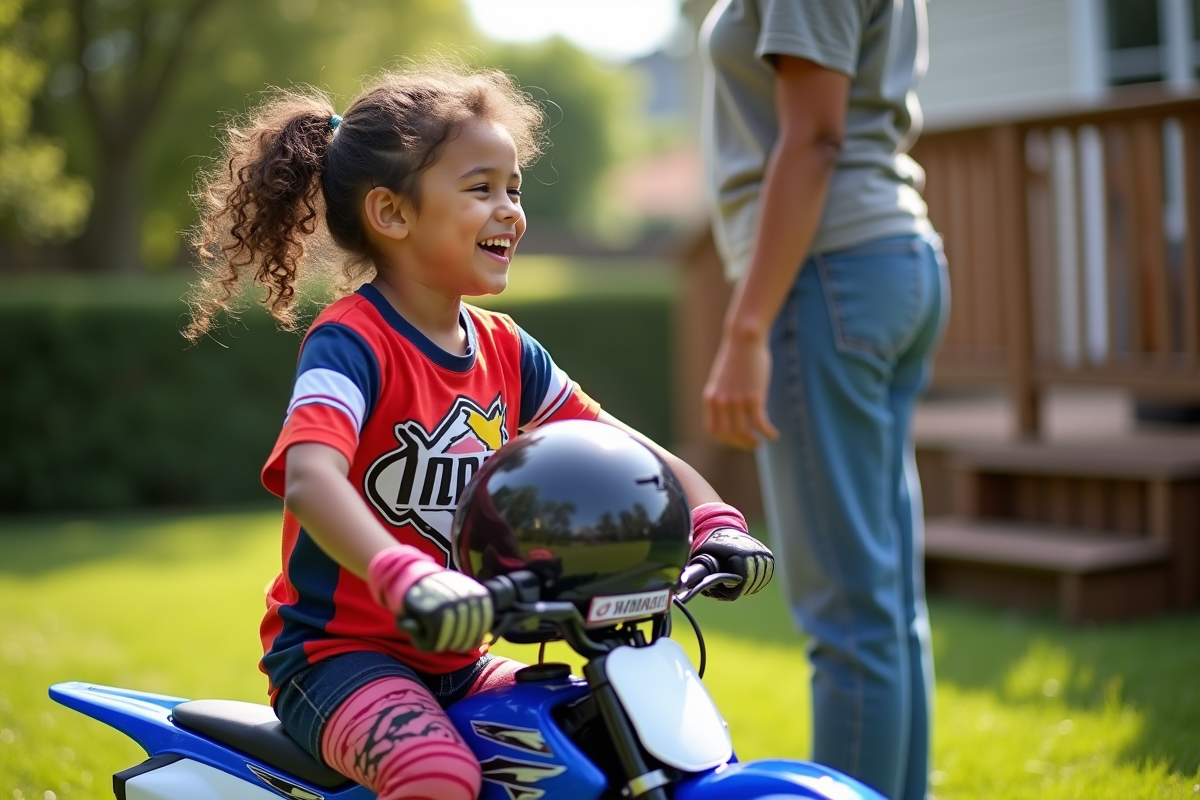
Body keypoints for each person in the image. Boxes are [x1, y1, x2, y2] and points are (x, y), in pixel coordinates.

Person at [184, 62, 774, 800]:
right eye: (481, 189)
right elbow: (310, 478)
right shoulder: (352, 342)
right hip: (340, 658)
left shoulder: (506, 349)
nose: (510, 211)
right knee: (436, 775)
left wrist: (712, 518)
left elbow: (622, 447)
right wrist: (406, 577)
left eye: (514, 189)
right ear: (392, 213)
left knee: (588, 740)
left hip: (461, 653)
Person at [699, 2, 948, 799]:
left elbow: (814, 135)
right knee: (883, 605)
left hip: (829, 272)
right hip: (885, 260)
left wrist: (746, 329)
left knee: (848, 611)